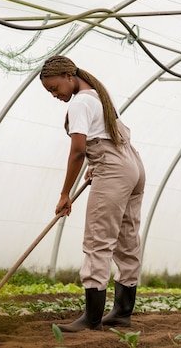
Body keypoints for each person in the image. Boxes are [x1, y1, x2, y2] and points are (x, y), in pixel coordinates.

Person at [40, 55, 146, 332]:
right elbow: (107, 141)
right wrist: (98, 165)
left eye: (54, 88)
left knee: (98, 240)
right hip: (131, 166)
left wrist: (65, 193)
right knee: (127, 239)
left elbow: (77, 151)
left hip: (115, 169)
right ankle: (122, 314)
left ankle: (92, 319)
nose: (54, 95)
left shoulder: (80, 102)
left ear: (68, 76)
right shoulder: (98, 96)